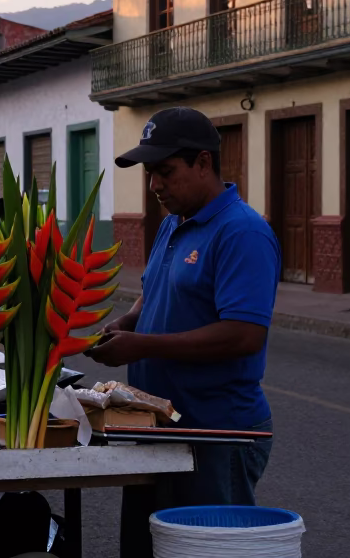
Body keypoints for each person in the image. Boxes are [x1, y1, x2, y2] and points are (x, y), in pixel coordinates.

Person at [86, 107, 280, 558]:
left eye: (165, 172)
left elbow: (244, 334)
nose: (154, 184)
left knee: (205, 549)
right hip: (160, 426)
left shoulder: (242, 233)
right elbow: (156, 291)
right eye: (150, 173)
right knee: (148, 545)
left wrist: (144, 345)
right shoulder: (174, 222)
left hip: (217, 433)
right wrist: (126, 322)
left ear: (204, 163)